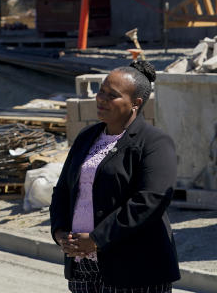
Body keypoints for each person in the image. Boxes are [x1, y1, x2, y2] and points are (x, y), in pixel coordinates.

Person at [50, 59, 180, 293]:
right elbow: (63, 190)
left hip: (135, 269)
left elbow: (150, 200)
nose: (101, 99)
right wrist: (60, 233)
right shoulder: (87, 137)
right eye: (101, 91)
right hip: (83, 266)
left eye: (112, 95)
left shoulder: (154, 143)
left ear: (135, 103)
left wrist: (97, 239)